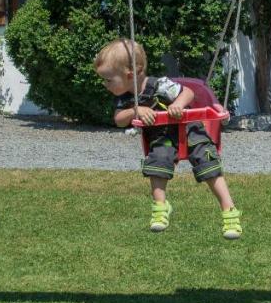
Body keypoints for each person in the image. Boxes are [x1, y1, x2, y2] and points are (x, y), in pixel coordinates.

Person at [93, 38, 241, 239]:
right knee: (157, 163)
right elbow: (119, 119)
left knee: (208, 163)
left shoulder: (160, 85)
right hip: (162, 137)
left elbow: (187, 93)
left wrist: (178, 104)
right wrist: (135, 110)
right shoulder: (126, 99)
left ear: (130, 74)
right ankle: (161, 207)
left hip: (191, 130)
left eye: (109, 80)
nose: (105, 85)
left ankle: (229, 210)